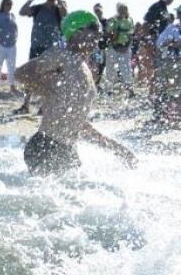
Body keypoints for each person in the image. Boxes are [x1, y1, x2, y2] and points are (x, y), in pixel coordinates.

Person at [15, 10, 139, 175]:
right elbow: (22, 73)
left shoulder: (84, 67)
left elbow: (80, 123)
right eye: (93, 28)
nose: (98, 34)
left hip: (67, 149)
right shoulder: (60, 55)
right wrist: (47, 91)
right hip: (46, 145)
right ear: (76, 32)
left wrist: (117, 149)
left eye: (99, 30)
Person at [15, 0, 67, 114]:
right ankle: (26, 104)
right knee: (31, 74)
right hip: (36, 45)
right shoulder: (38, 8)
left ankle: (44, 106)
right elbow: (22, 12)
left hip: (52, 49)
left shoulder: (59, 8)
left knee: (49, 77)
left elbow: (65, 15)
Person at [103, 3, 136, 95]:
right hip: (113, 47)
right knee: (110, 69)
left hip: (125, 48)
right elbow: (107, 33)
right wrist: (114, 40)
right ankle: (109, 89)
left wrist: (127, 46)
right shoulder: (113, 20)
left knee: (126, 69)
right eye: (120, 9)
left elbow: (131, 35)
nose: (122, 11)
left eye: (124, 9)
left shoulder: (129, 20)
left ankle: (129, 90)